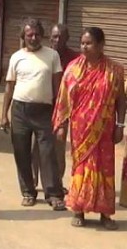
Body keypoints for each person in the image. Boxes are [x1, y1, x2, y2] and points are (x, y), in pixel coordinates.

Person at [53, 27, 125, 230]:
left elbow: (121, 100)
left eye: (89, 43)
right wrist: (61, 125)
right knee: (81, 168)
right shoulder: (73, 69)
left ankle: (105, 214)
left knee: (104, 169)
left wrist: (120, 125)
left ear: (101, 45)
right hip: (80, 130)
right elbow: (64, 100)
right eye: (82, 43)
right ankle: (79, 209)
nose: (84, 46)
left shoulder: (114, 70)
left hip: (105, 130)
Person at [1, 18, 66, 210]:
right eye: (29, 34)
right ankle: (28, 192)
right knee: (22, 153)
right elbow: (9, 86)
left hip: (45, 112)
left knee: (47, 153)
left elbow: (58, 87)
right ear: (24, 36)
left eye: (37, 34)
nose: (34, 37)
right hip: (20, 111)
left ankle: (53, 194)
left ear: (42, 35)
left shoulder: (52, 56)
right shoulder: (16, 57)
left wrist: (59, 114)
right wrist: (4, 114)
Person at [32, 24, 79, 187]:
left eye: (61, 36)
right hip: (42, 106)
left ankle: (56, 183)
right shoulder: (42, 54)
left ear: (67, 38)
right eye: (55, 36)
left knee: (59, 146)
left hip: (63, 109)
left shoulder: (75, 59)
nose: (58, 40)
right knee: (37, 146)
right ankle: (33, 182)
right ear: (50, 38)